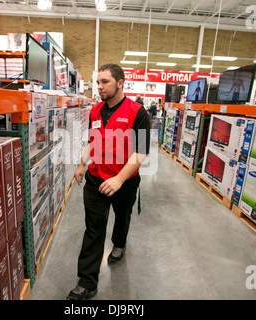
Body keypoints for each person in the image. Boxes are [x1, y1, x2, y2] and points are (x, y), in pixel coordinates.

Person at [67, 64, 151, 300]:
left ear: (120, 83)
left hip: (125, 181)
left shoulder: (138, 113)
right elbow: (91, 141)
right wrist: (82, 164)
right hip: (96, 179)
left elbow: (142, 152)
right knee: (94, 228)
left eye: (105, 82)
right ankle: (87, 283)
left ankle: (119, 243)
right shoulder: (95, 111)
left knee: (122, 217)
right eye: (98, 83)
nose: (100, 87)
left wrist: (120, 179)